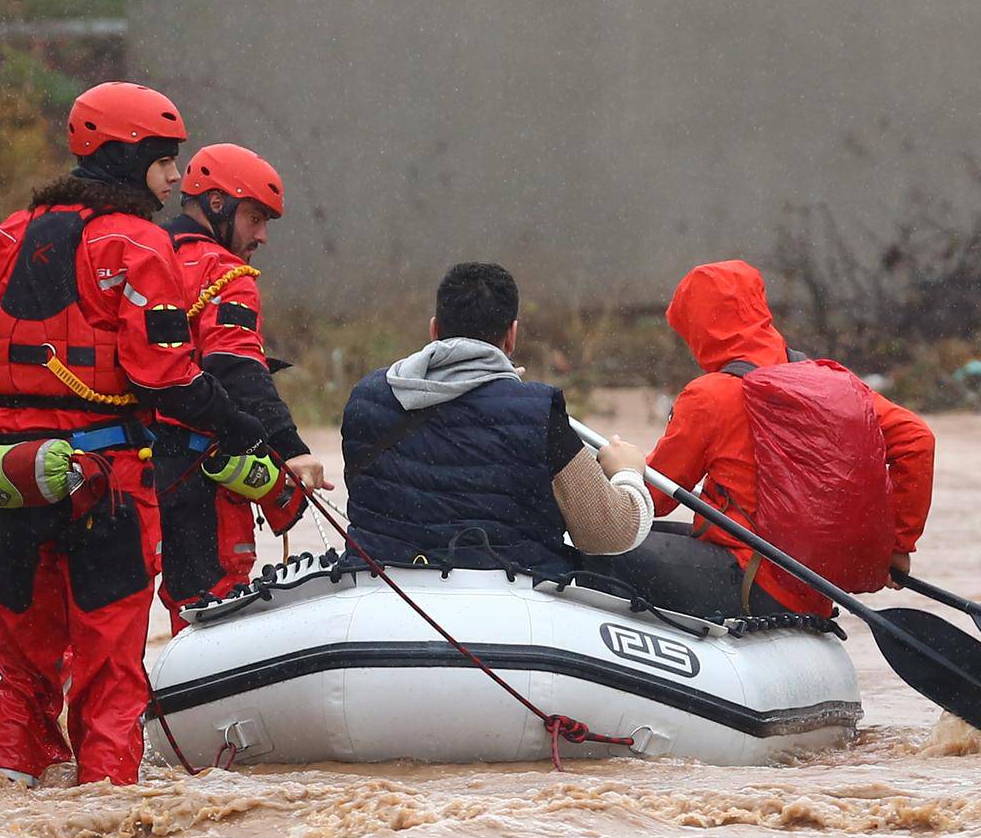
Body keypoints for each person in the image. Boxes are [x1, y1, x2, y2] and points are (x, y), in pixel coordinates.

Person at [0, 82, 268, 787]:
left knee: (19, 670)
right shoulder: (140, 245)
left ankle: (6, 798)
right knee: (111, 671)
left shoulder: (7, 234)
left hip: (16, 474)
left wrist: (30, 399)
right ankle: (105, 818)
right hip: (108, 485)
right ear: (125, 154)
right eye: (166, 160)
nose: (177, 178)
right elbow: (168, 379)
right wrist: (246, 429)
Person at [596, 260, 936, 618]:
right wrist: (899, 545)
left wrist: (621, 470)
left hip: (750, 580)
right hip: (810, 588)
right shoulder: (833, 382)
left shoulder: (710, 396)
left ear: (700, 329)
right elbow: (918, 439)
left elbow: (653, 500)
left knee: (596, 544)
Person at [342, 262, 653, 572]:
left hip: (381, 582)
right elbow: (609, 532)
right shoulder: (538, 412)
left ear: (434, 329)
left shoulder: (368, 397)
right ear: (511, 336)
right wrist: (627, 471)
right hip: (507, 596)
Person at [153, 143, 330, 628]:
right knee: (211, 613)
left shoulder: (136, 252)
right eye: (255, 218)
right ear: (216, 205)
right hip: (195, 475)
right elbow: (236, 368)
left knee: (102, 621)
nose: (263, 236)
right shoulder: (225, 273)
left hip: (119, 467)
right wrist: (290, 447)